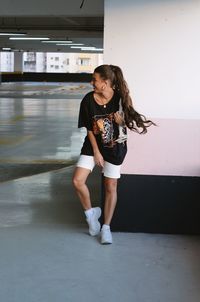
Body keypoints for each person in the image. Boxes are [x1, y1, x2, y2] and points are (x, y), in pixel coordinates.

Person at [72, 64, 155, 244]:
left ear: (106, 82)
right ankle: (91, 215)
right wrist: (95, 152)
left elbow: (130, 120)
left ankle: (106, 228)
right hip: (93, 145)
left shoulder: (120, 98)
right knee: (77, 181)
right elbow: (89, 129)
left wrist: (122, 120)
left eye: (95, 79)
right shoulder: (88, 100)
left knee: (111, 187)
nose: (91, 82)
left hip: (115, 148)